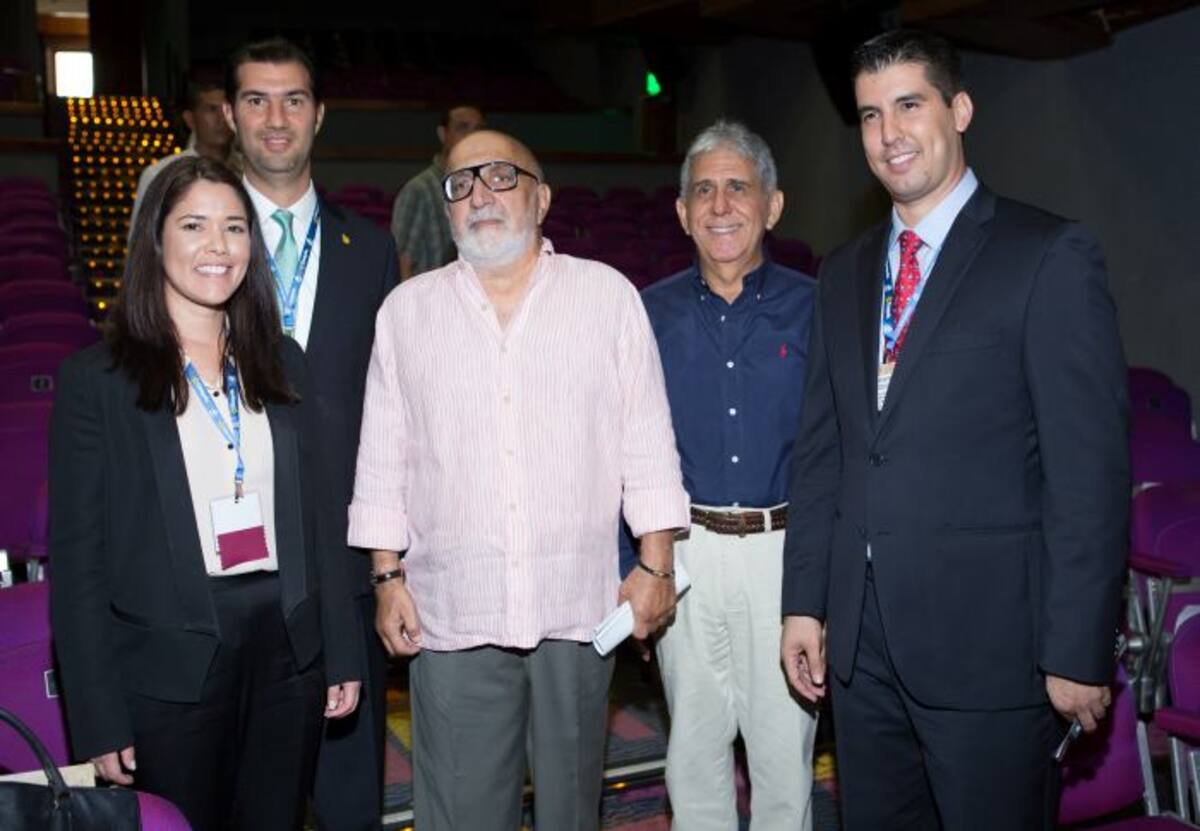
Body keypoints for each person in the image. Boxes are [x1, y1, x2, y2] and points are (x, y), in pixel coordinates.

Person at [779, 28, 1129, 830]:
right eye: (869, 115)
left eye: (909, 105)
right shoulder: (844, 272)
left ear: (959, 108)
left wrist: (1077, 650)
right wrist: (805, 601)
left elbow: (1089, 474)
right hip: (862, 659)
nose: (889, 134)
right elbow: (824, 456)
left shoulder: (1046, 256)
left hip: (993, 657)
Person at [348, 129, 690, 831]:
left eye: (501, 176)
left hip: (577, 607)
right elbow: (383, 457)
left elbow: (648, 444)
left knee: (571, 810)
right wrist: (386, 579)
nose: (480, 194)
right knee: (464, 814)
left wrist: (657, 563)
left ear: (542, 197)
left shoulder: (607, 298)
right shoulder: (406, 313)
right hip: (453, 610)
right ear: (446, 210)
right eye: (462, 182)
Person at [49, 154, 362, 831]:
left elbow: (319, 518)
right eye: (194, 225)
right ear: (155, 239)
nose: (217, 247)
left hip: (287, 651)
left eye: (234, 227)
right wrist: (97, 715)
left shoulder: (281, 360)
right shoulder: (97, 380)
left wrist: (339, 647)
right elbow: (77, 565)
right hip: (168, 664)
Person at [222, 37, 399, 831]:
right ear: (229, 116)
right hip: (231, 563)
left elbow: (394, 410)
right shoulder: (199, 243)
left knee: (350, 797)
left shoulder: (373, 252)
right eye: (255, 100)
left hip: (346, 563)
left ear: (320, 114)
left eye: (293, 99)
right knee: (242, 796)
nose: (275, 118)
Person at [627, 120, 818, 830]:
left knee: (783, 756)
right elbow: (622, 453)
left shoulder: (818, 310)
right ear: (681, 213)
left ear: (772, 205)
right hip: (685, 554)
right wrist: (639, 568)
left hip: (785, 554)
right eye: (703, 190)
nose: (720, 205)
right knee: (693, 753)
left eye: (738, 187)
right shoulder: (645, 315)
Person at [389, 103, 485, 280]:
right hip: (430, 301)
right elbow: (401, 262)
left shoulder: (484, 189)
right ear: (443, 134)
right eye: (462, 127)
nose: (472, 136)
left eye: (478, 129)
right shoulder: (418, 190)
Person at [130, 78, 235, 231]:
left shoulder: (249, 172)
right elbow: (140, 240)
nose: (222, 119)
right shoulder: (161, 173)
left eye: (227, 110)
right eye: (212, 110)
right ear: (190, 119)